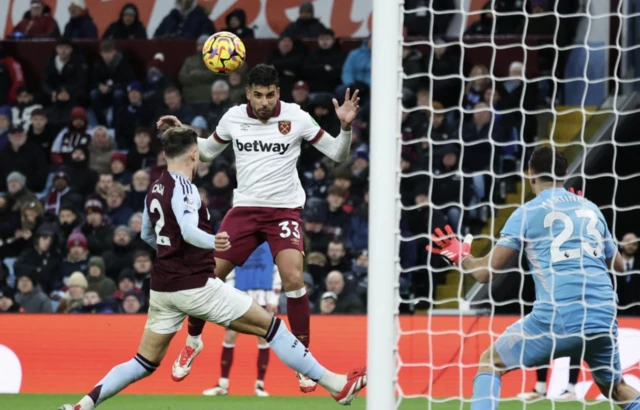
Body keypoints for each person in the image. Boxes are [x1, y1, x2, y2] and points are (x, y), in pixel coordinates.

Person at [57, 125, 366, 410]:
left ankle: (82, 405)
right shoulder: (186, 188)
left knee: (142, 362)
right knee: (271, 327)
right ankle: (336, 385)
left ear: (166, 154)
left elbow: (146, 234)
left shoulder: (155, 187)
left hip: (163, 288)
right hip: (195, 286)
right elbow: (190, 230)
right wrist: (212, 242)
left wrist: (172, 250)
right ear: (195, 153)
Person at [157, 63, 359, 392]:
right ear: (248, 93)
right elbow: (205, 153)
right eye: (258, 95)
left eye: (270, 95)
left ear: (278, 93)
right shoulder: (234, 117)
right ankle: (193, 341)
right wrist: (184, 132)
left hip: (283, 212)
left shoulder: (297, 117)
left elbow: (337, 154)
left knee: (294, 278)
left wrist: (346, 128)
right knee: (206, 276)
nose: (264, 102)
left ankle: (303, 360)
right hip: (245, 210)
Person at [426, 146, 640, 410]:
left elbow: (485, 274)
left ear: (530, 175)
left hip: (558, 316)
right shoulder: (591, 209)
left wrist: (462, 257)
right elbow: (619, 265)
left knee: (490, 362)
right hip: (603, 317)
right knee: (618, 390)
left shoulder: (527, 212)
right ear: (566, 174)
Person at [202, 242, 280, 397]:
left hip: (264, 295)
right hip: (239, 293)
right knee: (230, 335)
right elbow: (229, 270)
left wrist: (275, 298)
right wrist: (230, 294)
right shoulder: (238, 240)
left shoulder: (271, 242)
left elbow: (278, 271)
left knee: (263, 338)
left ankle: (260, 385)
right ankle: (223, 384)